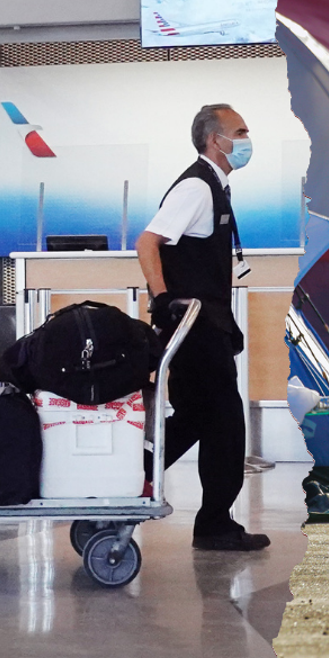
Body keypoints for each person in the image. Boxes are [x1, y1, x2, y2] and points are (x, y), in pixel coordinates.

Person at [135, 103, 269, 552]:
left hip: (203, 321)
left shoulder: (215, 186)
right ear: (216, 140)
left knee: (195, 417)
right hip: (193, 324)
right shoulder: (196, 187)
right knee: (226, 422)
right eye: (241, 131)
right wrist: (162, 300)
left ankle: (130, 476)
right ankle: (213, 524)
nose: (247, 139)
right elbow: (148, 241)